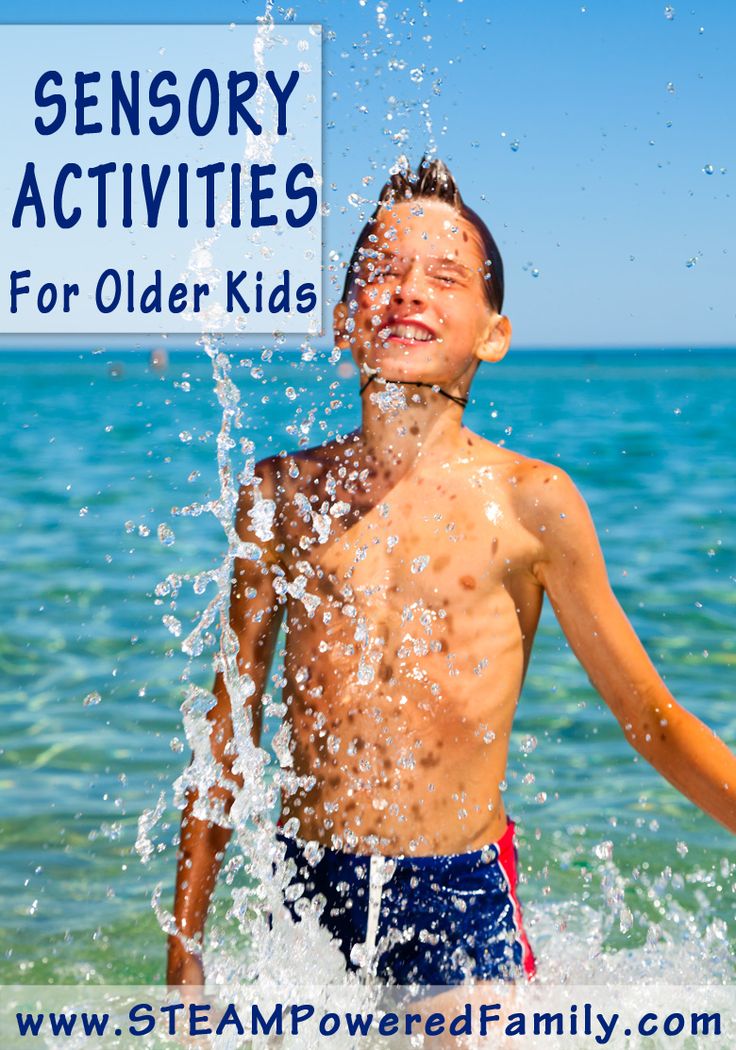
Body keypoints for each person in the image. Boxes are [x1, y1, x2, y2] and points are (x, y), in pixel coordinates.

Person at [166, 157, 736, 989]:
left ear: (494, 333)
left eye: (444, 276)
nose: (407, 291)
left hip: (457, 892)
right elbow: (227, 735)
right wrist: (185, 951)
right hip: (302, 883)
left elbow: (649, 719)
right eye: (383, 273)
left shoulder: (532, 503)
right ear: (343, 323)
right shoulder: (281, 497)